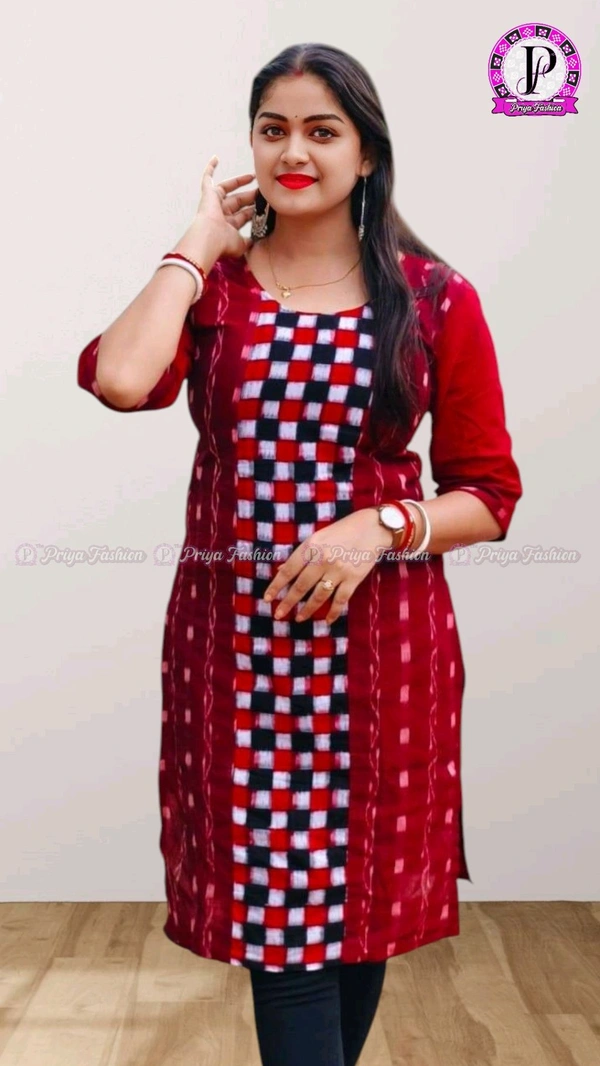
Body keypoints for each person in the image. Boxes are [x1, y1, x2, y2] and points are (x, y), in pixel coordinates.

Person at [77, 42, 523, 1066]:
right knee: (283, 930)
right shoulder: (216, 289)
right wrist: (195, 243)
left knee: (356, 913)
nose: (294, 152)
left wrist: (382, 525)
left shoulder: (433, 297)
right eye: (272, 129)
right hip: (238, 656)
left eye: (323, 131)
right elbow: (123, 379)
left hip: (381, 661)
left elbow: (489, 495)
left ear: (367, 153)